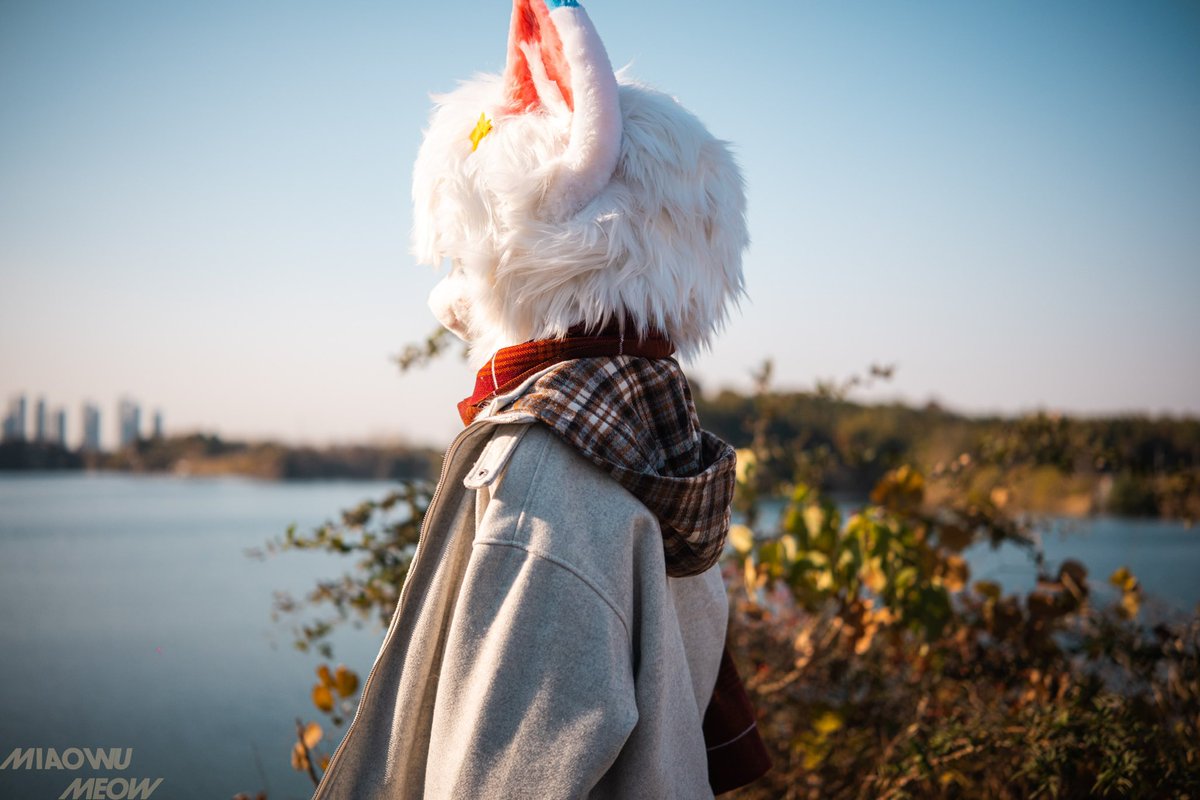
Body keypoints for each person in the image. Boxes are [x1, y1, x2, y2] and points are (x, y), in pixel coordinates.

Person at [312, 0, 768, 796]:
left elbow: (501, 775)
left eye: (465, 255)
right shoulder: (655, 443)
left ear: (525, 250)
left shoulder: (541, 472)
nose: (452, 289)